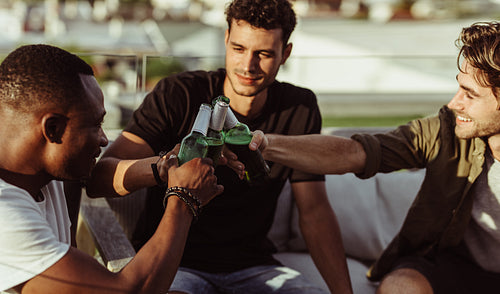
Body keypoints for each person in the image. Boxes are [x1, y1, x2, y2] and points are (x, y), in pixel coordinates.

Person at [86, 0, 353, 293]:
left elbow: (314, 210)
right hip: (177, 264)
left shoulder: (299, 107)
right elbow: (100, 179)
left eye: (263, 54)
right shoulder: (179, 94)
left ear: (285, 53)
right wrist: (165, 166)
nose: (247, 66)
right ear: (226, 39)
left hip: (255, 267)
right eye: (238, 49)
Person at [251, 21, 500, 294]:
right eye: (459, 88)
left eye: (470, 94)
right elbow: (356, 152)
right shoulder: (447, 131)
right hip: (460, 263)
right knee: (400, 288)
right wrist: (265, 144)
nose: (454, 103)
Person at [0, 44, 222, 293]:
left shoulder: (43, 173)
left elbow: (96, 177)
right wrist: (184, 199)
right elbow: (127, 290)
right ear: (52, 129)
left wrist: (170, 164)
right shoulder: (5, 213)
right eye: (95, 124)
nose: (104, 139)